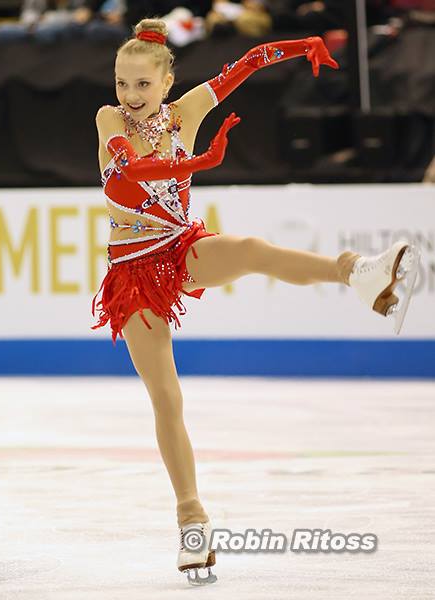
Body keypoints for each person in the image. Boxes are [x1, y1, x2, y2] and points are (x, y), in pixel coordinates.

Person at [91, 17, 420, 585]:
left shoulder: (188, 111)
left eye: (142, 85)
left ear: (167, 82)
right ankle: (191, 520)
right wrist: (197, 163)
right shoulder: (109, 120)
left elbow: (247, 62)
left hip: (179, 246)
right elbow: (131, 170)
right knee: (167, 397)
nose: (130, 95)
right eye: (122, 83)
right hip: (132, 271)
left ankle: (358, 274)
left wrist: (304, 46)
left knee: (250, 248)